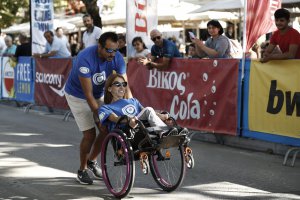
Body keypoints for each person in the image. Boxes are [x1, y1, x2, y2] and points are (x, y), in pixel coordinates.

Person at [64, 31, 132, 185]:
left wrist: (131, 106)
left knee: (107, 128)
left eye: (115, 50)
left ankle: (92, 161)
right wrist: (99, 116)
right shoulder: (84, 58)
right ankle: (82, 170)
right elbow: (88, 95)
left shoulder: (117, 57)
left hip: (98, 93)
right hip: (78, 96)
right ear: (99, 47)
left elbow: (125, 87)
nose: (112, 54)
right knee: (90, 134)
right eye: (109, 50)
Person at [98, 73, 180, 137]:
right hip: (127, 130)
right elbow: (114, 118)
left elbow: (146, 112)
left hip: (144, 127)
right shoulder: (105, 108)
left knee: (149, 111)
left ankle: (169, 131)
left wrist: (161, 115)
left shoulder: (133, 101)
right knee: (148, 110)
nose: (122, 87)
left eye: (124, 84)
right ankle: (165, 131)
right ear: (109, 88)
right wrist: (128, 120)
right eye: (117, 84)